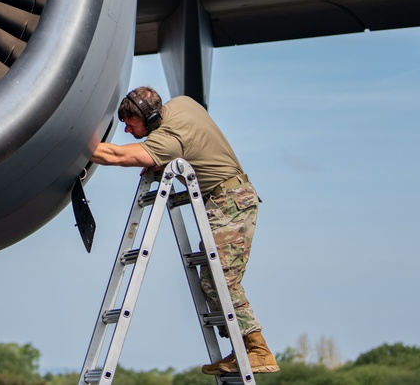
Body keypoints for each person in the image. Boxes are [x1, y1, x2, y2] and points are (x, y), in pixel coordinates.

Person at [90, 86, 279, 375]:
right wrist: (157, 157)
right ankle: (241, 350)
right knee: (212, 280)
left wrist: (71, 143)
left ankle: (258, 351)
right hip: (229, 199)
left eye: (131, 124)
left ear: (151, 119)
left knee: (221, 280)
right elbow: (183, 144)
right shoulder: (182, 104)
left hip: (230, 202)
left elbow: (116, 156)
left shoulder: (170, 139)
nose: (127, 130)